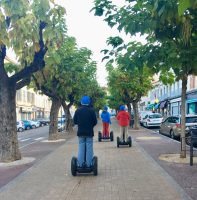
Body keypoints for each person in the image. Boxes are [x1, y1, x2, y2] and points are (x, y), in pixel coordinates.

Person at [73, 96, 97, 167]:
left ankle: (80, 164)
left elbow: (75, 121)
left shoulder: (78, 110)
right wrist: (90, 125)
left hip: (80, 132)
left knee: (81, 147)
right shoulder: (92, 111)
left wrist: (80, 124)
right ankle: (89, 164)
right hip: (89, 132)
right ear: (89, 102)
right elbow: (95, 122)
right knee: (89, 148)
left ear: (81, 102)